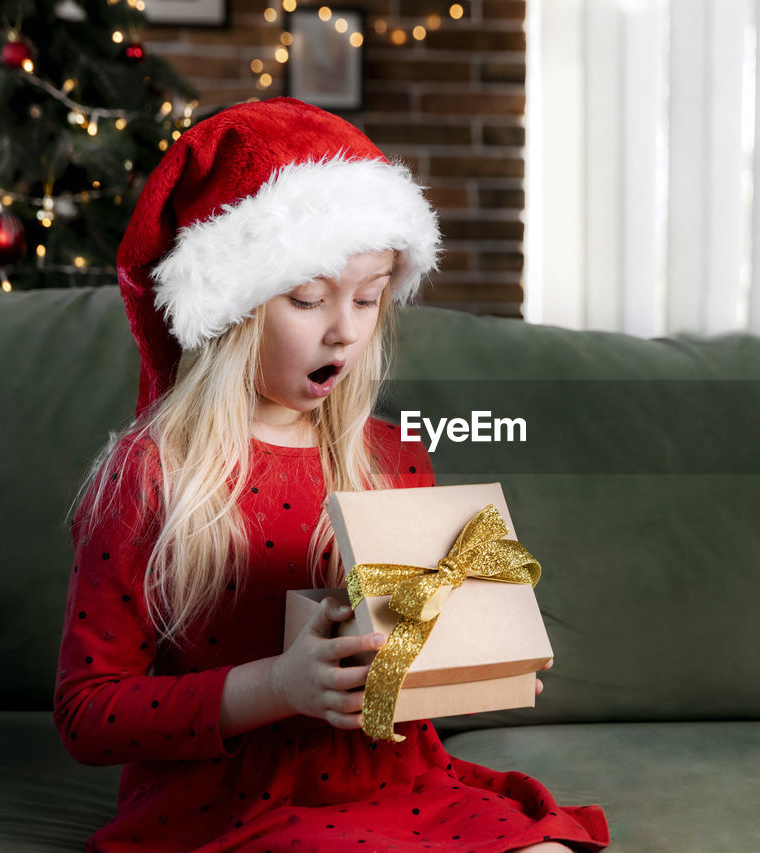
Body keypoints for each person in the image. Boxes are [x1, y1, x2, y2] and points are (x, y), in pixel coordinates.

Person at [53, 97, 610, 853]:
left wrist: (474, 663)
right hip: (238, 804)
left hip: (400, 784)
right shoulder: (150, 475)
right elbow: (88, 711)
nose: (344, 328)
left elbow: (400, 673)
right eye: (308, 298)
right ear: (235, 306)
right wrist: (277, 685)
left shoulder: (393, 456)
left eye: (370, 297)